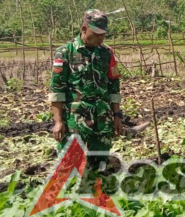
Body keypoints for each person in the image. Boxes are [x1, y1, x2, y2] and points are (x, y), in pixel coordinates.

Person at [48, 9, 126, 171]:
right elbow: (57, 89)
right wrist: (58, 121)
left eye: (103, 34)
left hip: (102, 119)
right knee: (70, 166)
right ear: (84, 29)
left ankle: (98, 192)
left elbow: (113, 84)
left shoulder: (106, 53)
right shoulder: (65, 53)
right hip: (76, 120)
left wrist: (117, 115)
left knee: (100, 165)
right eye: (96, 33)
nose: (100, 38)